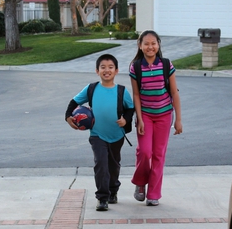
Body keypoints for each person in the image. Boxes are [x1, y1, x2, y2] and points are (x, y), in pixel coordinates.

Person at [65, 53, 134, 212]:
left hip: (117, 135)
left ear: (116, 71)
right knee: (101, 164)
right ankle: (102, 198)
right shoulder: (91, 89)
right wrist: (68, 117)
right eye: (103, 67)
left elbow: (131, 109)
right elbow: (74, 102)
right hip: (97, 135)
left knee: (113, 165)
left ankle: (113, 191)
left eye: (110, 67)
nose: (106, 70)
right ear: (97, 71)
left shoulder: (122, 91)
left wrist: (126, 120)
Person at [129, 30, 182, 206]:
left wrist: (178, 120)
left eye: (153, 43)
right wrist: (140, 118)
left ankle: (153, 194)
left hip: (164, 115)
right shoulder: (136, 66)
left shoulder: (166, 64)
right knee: (144, 152)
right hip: (145, 116)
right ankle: (140, 182)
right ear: (140, 46)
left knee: (159, 154)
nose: (150, 47)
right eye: (146, 43)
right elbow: (136, 95)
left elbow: (174, 92)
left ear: (158, 45)